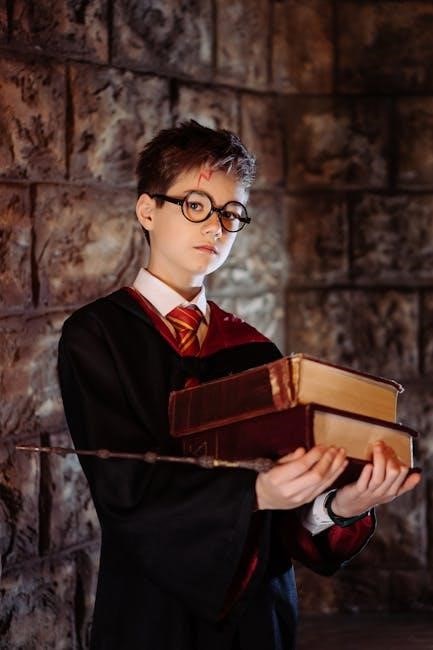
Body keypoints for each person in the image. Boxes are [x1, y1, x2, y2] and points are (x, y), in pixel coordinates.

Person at [58, 120, 420, 650]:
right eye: (196, 205)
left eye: (231, 213)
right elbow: (124, 493)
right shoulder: (97, 336)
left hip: (258, 619)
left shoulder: (253, 350)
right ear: (147, 211)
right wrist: (255, 492)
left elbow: (282, 521)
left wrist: (339, 505)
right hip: (153, 614)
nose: (216, 227)